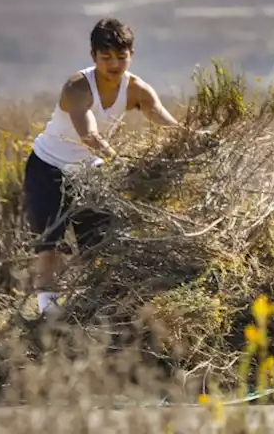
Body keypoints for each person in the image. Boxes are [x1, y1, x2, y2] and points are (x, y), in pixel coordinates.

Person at [24, 17, 192, 317]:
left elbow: (164, 119)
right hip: (48, 166)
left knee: (99, 245)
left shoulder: (136, 89)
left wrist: (194, 138)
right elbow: (89, 133)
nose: (114, 64)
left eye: (121, 57)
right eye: (106, 57)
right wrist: (118, 160)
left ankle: (94, 305)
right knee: (49, 242)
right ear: (93, 56)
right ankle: (47, 310)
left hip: (90, 173)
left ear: (131, 55)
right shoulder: (78, 87)